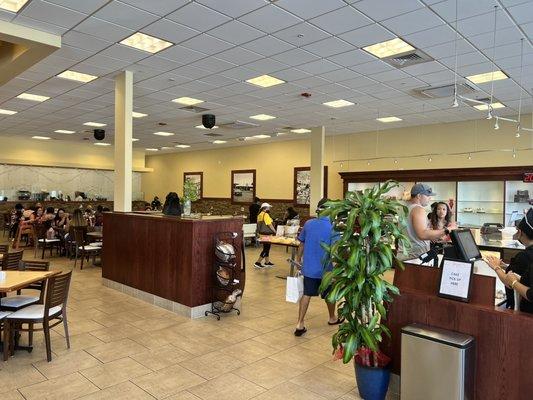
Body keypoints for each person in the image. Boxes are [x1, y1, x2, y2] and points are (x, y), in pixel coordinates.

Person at [294, 198, 341, 336]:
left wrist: (298, 261)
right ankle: (332, 318)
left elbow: (301, 244)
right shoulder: (334, 227)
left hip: (309, 268)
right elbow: (335, 251)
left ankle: (300, 323)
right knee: (329, 295)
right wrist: (337, 269)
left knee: (307, 294)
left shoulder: (308, 224)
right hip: (326, 270)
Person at [485, 208, 533, 313]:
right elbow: (524, 275)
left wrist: (496, 267)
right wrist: (506, 267)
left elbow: (509, 282)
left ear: (520, 232)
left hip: (524, 312)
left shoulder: (523, 256)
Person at [397, 184, 452, 261]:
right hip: (414, 256)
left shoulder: (404, 208)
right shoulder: (418, 209)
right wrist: (448, 229)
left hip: (405, 254)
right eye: (427, 195)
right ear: (419, 196)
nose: (430, 198)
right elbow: (422, 234)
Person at [254, 202, 276, 268]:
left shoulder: (260, 214)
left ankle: (267, 262)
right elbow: (269, 224)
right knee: (266, 248)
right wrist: (274, 231)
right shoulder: (265, 215)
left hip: (262, 234)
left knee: (266, 247)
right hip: (267, 234)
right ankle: (257, 262)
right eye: (269, 207)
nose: (269, 208)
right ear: (265, 208)